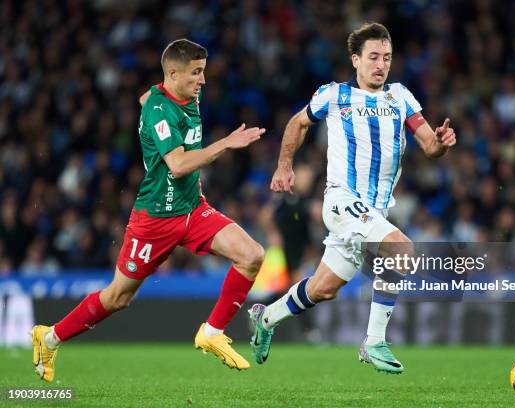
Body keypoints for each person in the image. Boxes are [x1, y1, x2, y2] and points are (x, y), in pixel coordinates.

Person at [31, 39, 266, 382]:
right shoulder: (160, 108)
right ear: (173, 73)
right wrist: (226, 143)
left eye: (203, 71)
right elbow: (178, 164)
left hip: (191, 209)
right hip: (155, 219)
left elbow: (146, 98)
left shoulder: (178, 95)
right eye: (196, 72)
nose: (203, 80)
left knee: (252, 255)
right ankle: (49, 337)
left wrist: (154, 103)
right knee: (118, 297)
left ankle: (212, 332)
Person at [248, 23, 456, 374]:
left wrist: (440, 142)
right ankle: (374, 341)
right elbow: (297, 124)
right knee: (402, 250)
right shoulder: (333, 95)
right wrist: (284, 166)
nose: (380, 65)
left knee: (323, 288)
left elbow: (428, 145)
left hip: (372, 211)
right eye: (373, 57)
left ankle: (265, 318)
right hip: (341, 201)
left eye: (387, 58)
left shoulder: (401, 97)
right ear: (356, 59)